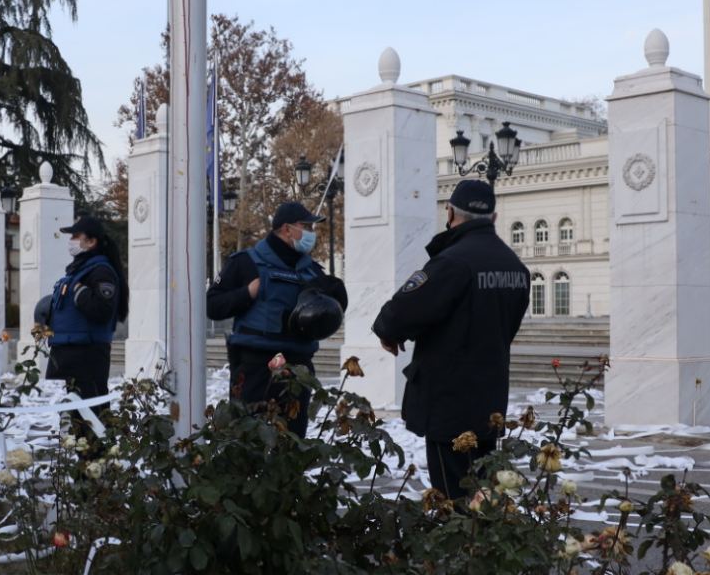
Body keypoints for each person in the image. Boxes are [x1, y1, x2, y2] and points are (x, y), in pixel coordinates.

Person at [371, 179, 530, 500]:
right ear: (494, 218)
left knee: (453, 497)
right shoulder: (515, 267)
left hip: (449, 401)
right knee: (482, 493)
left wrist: (388, 332)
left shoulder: (452, 262)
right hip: (490, 399)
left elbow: (401, 311)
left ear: (450, 213)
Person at [207, 201, 347, 434]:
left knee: (293, 443)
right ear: (287, 229)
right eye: (306, 226)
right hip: (255, 367)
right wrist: (247, 293)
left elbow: (329, 315)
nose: (311, 233)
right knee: (249, 441)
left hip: (298, 369)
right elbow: (212, 305)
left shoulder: (312, 271)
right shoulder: (245, 262)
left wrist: (334, 299)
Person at [42, 216, 128, 400]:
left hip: (88, 354)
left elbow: (102, 310)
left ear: (91, 241)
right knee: (76, 410)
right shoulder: (79, 270)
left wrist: (79, 292)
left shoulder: (101, 271)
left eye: (76, 236)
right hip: (72, 351)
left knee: (92, 411)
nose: (71, 240)